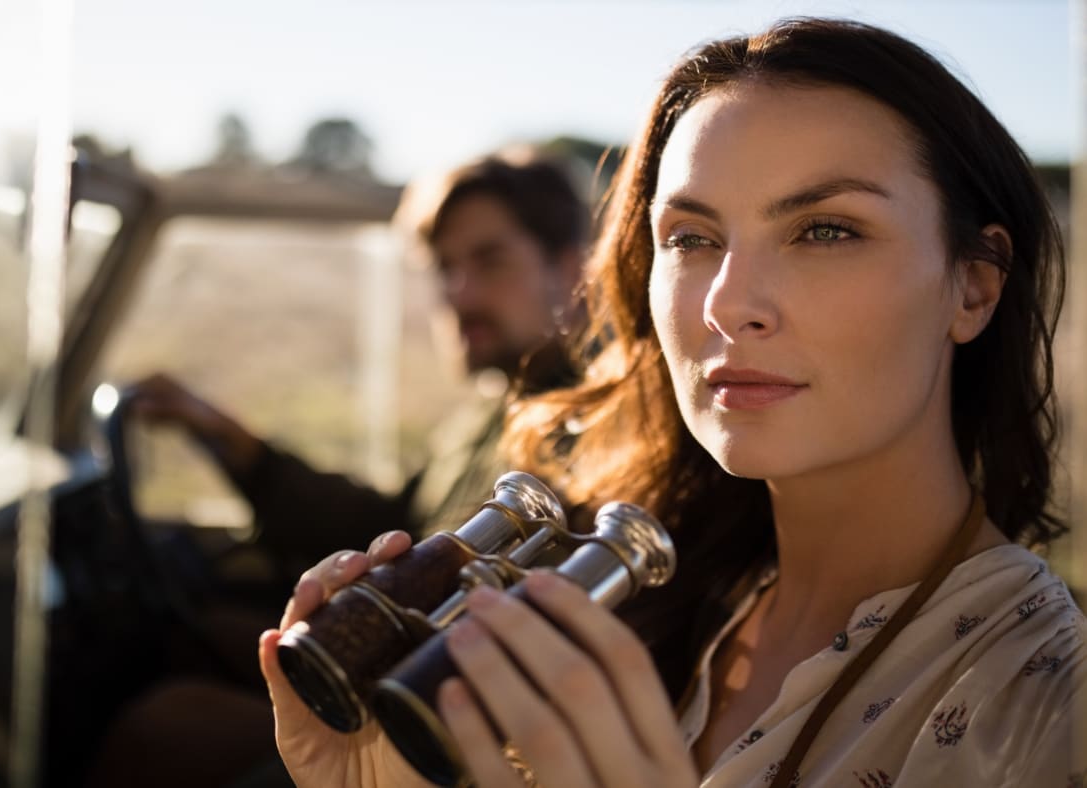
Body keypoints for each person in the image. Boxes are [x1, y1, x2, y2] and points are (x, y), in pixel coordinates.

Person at [261, 17, 1084, 787]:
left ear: (973, 288)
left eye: (825, 230)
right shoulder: (671, 600)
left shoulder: (1050, 710)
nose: (729, 303)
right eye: (692, 239)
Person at [131, 153, 587, 565]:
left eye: (491, 261)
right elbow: (396, 525)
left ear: (568, 272)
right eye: (446, 268)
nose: (457, 294)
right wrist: (240, 447)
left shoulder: (592, 435)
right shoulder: (494, 407)